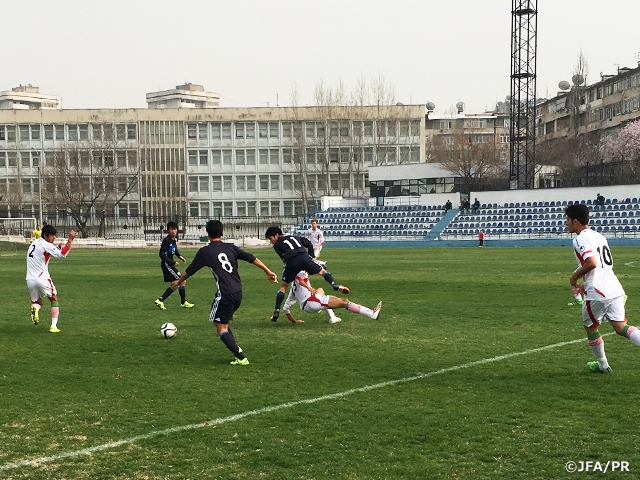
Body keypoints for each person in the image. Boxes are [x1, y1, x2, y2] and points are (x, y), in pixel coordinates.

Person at [171, 220, 277, 365]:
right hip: (238, 291)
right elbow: (252, 258)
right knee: (220, 321)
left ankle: (241, 357)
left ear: (208, 235)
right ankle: (237, 351)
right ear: (222, 233)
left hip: (225, 293)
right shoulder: (231, 247)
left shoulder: (205, 252)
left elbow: (189, 271)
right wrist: (268, 271)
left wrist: (178, 281)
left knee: (221, 327)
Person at [565, 204, 640, 374]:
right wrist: (586, 283)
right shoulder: (599, 236)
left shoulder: (580, 239)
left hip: (598, 292)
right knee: (620, 327)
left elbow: (592, 263)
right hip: (614, 288)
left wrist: (574, 277)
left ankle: (602, 365)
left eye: (568, 220)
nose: (566, 224)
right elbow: (603, 266)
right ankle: (602, 365)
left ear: (576, 221)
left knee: (590, 327)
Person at [265, 226, 349, 323]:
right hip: (304, 256)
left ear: (276, 235)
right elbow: (308, 244)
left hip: (291, 261)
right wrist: (312, 258)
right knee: (322, 272)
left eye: (271, 239)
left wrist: (290, 267)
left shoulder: (277, 245)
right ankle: (334, 284)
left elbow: (283, 258)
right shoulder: (295, 237)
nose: (271, 242)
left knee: (283, 286)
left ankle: (276, 312)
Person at [26, 225, 77, 333]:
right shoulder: (46, 244)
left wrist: (56, 249)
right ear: (45, 236)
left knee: (37, 302)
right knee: (54, 300)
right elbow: (62, 255)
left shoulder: (34, 243)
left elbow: (43, 255)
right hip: (42, 278)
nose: (54, 238)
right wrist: (70, 240)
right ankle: (53, 326)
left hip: (30, 279)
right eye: (52, 235)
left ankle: (35, 309)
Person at [285, 270, 381, 323]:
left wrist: (295, 321)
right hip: (312, 301)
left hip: (307, 307)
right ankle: (371, 313)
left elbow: (286, 309)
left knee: (320, 290)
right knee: (344, 302)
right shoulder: (299, 273)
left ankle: (333, 317)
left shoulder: (292, 289)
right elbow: (299, 279)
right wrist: (308, 287)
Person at [154, 221, 194, 310]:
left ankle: (161, 300)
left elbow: (175, 249)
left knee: (175, 283)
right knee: (181, 280)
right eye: (171, 229)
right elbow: (161, 254)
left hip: (169, 264)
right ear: (168, 230)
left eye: (175, 229)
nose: (173, 231)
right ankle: (180, 302)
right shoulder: (167, 240)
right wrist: (172, 262)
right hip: (167, 264)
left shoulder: (174, 240)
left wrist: (180, 256)